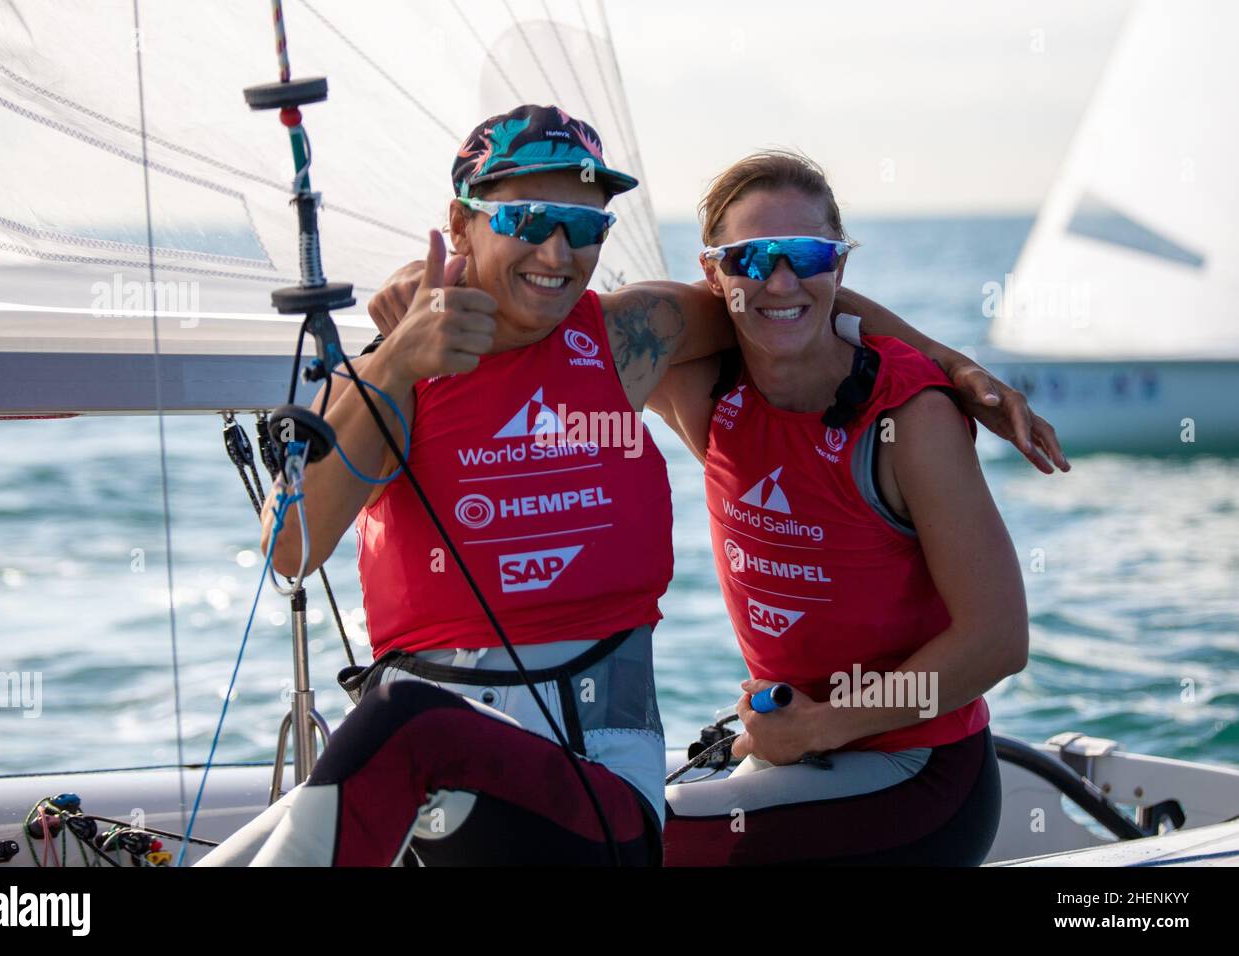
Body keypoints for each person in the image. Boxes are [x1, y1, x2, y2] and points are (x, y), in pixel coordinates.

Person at [204, 105, 1059, 867]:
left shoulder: (629, 339)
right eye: (528, 218)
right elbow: (293, 551)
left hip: (613, 783)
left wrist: (952, 365)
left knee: (405, 729)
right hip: (461, 787)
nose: (557, 249)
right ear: (462, 225)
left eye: (584, 227)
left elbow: (787, 299)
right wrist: (394, 360)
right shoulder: (390, 374)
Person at [651, 151, 1031, 865]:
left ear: (841, 267)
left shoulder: (909, 416)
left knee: (632, 844)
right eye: (751, 258)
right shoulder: (698, 386)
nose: (781, 279)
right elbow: (573, 318)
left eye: (807, 254)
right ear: (713, 273)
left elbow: (999, 639)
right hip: (790, 755)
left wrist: (825, 726)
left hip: (917, 777)